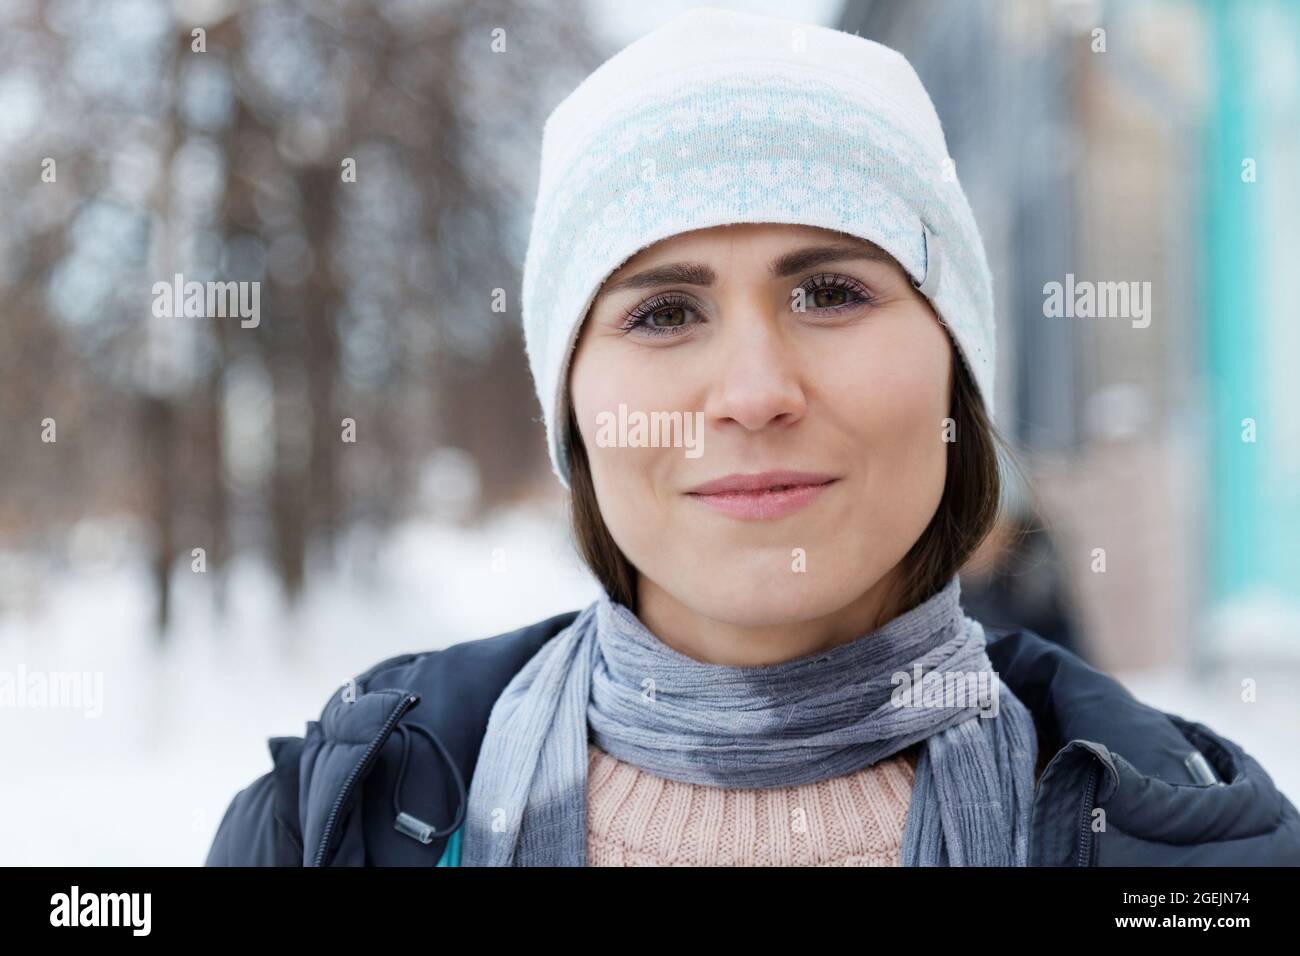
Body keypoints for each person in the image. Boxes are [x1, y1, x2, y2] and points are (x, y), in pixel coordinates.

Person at [206, 7, 1300, 867]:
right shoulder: (337, 825)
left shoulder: (1187, 842)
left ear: (956, 370)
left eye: (829, 291)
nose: (753, 389)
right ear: (573, 405)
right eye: (663, 311)